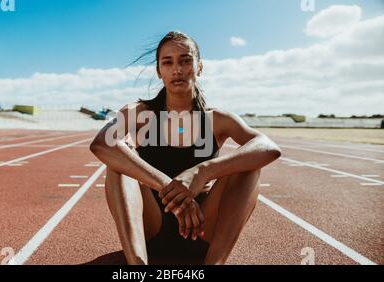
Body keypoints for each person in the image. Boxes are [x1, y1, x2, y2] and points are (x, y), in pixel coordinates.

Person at [90, 31, 282, 265]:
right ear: (159, 71)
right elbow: (101, 143)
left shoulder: (217, 119)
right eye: (167, 62)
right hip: (151, 228)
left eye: (185, 60)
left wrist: (201, 173)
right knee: (118, 164)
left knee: (250, 165)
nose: (177, 69)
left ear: (199, 67)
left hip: (202, 228)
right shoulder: (139, 113)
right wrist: (170, 187)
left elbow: (268, 147)